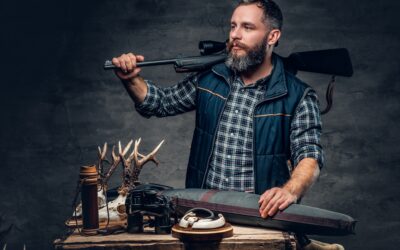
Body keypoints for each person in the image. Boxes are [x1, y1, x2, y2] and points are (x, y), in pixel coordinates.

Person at [111, 1, 343, 249]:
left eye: (247, 27)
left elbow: (309, 155)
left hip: (261, 218)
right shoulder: (212, 77)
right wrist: (131, 79)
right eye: (233, 26)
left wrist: (290, 191)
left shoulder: (298, 95)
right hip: (204, 218)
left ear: (273, 36)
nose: (235, 34)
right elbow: (160, 103)